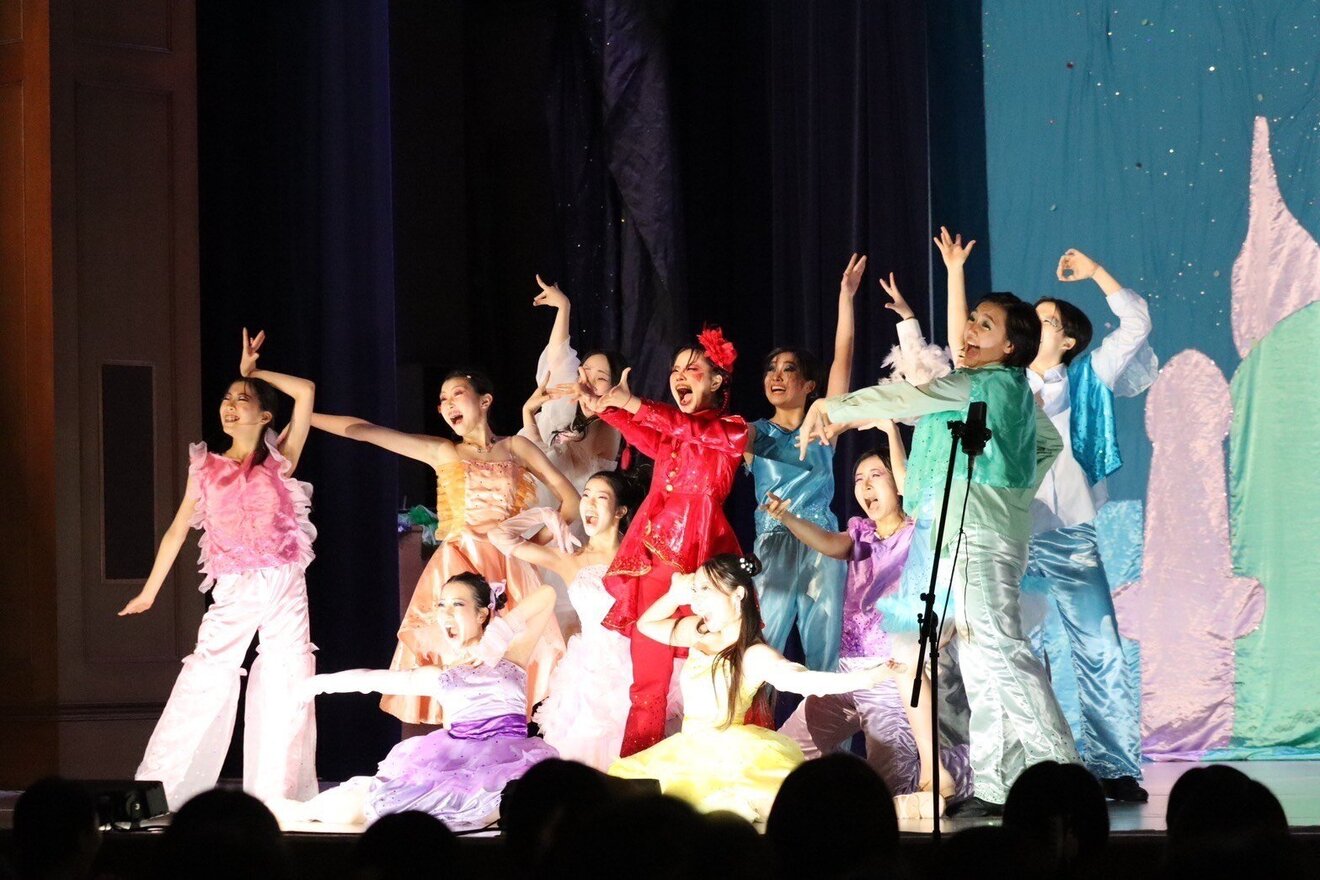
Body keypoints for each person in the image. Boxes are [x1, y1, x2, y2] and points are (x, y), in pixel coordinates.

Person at [799, 236, 1080, 816]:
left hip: (976, 539)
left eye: (984, 325)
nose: (970, 330)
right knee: (981, 663)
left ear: (1010, 347)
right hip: (971, 536)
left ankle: (1063, 778)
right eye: (972, 319)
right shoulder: (1008, 391)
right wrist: (1011, 492)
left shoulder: (985, 384)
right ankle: (999, 785)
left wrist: (832, 408)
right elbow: (1047, 444)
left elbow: (911, 395)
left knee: (1001, 654)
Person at [121, 329, 318, 809]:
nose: (229, 406)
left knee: (286, 679)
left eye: (242, 399)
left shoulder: (281, 458)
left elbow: (306, 391)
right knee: (206, 679)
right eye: (227, 399)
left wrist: (255, 371)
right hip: (234, 585)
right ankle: (159, 792)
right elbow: (176, 531)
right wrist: (149, 592)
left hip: (285, 582)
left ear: (265, 416)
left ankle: (278, 798)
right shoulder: (205, 467)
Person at [311, 370, 577, 723]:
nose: (448, 404)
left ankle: (500, 737)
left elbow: (571, 501)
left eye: (457, 394)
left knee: (507, 665)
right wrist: (303, 415)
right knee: (459, 662)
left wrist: (526, 549)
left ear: (485, 401)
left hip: (510, 567)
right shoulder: (444, 451)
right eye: (442, 400)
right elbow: (365, 430)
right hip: (458, 563)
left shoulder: (517, 448)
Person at [608, 554, 905, 822]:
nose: (697, 601)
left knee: (777, 808)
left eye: (705, 590)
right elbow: (646, 625)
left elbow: (805, 681)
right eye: (695, 590)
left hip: (730, 753)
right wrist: (674, 595)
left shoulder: (753, 654)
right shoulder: (699, 632)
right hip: (685, 749)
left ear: (737, 594)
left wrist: (869, 678)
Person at [1017, 248, 1155, 802]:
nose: (1036, 326)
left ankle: (1114, 765)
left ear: (1069, 340)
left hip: (1069, 532)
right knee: (1017, 652)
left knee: (1100, 646)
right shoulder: (1002, 385)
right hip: (1012, 534)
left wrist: (1096, 272)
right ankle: (1025, 765)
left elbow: (1137, 324)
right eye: (1032, 319)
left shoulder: (1089, 377)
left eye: (1047, 321)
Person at [576, 327, 749, 755]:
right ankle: (637, 774)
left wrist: (631, 403)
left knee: (718, 673)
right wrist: (605, 407)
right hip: (652, 563)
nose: (679, 377)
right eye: (674, 370)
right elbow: (648, 434)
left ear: (717, 381)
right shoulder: (674, 434)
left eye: (692, 369)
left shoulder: (731, 430)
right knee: (647, 683)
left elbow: (683, 428)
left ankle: (726, 767)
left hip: (704, 563)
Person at [282, 575, 560, 830]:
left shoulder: (512, 655)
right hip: (459, 766)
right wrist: (314, 685)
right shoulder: (441, 676)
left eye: (457, 604)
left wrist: (501, 633)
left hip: (512, 761)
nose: (446, 613)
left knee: (527, 804)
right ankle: (293, 811)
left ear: (482, 613)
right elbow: (371, 680)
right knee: (356, 808)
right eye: (441, 605)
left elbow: (547, 594)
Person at [490, 471, 677, 769]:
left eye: (600, 498)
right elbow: (498, 536)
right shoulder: (569, 558)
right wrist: (546, 516)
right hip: (588, 673)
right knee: (583, 756)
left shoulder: (643, 557)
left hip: (637, 665)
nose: (588, 503)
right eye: (586, 495)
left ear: (620, 511)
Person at [743, 253, 864, 672]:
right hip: (772, 544)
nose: (775, 377)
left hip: (821, 544)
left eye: (788, 369)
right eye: (770, 370)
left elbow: (843, 356)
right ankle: (754, 715)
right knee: (762, 646)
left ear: (810, 384)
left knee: (824, 647)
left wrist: (845, 297)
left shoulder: (822, 427)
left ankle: (828, 719)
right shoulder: (752, 433)